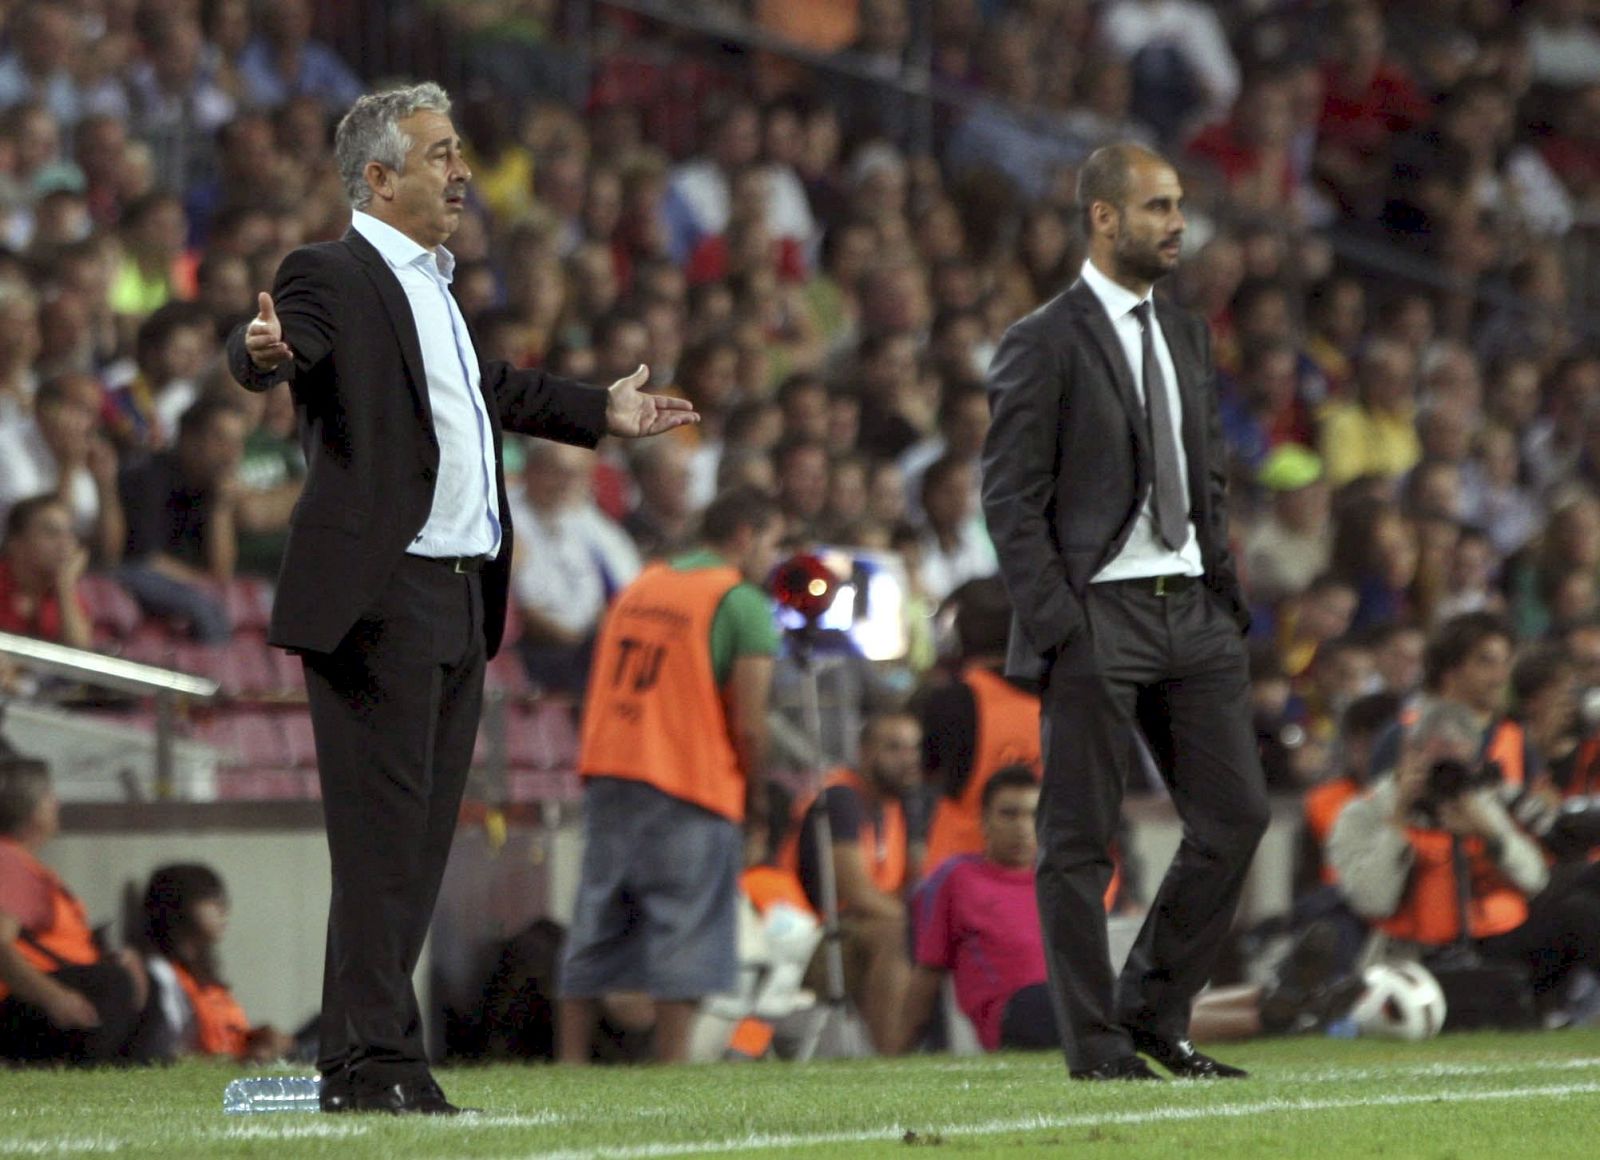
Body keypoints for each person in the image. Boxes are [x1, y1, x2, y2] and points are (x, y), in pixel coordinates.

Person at [224, 82, 696, 1115]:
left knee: (416, 840)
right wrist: (260, 356)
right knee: (383, 840)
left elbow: (487, 389)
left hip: (455, 594)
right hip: (379, 595)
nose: (460, 172)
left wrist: (598, 411)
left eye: (456, 152)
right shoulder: (329, 272)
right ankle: (383, 1064)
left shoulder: (434, 284)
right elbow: (278, 342)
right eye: (439, 155)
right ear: (379, 178)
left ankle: (360, 1062)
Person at [981, 143, 1269, 1082]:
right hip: (1099, 612)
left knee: (1235, 818)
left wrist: (1223, 592)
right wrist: (1061, 625)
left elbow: (1208, 472)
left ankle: (1152, 1010)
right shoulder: (1043, 339)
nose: (1177, 223)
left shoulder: (1186, 334)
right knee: (1077, 843)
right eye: (1156, 207)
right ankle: (1097, 1048)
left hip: (1193, 609)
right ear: (1103, 218)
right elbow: (1010, 500)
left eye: (1179, 205)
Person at [557, 485, 782, 1065]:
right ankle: (672, 1065)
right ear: (743, 536)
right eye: (772, 543)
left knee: (597, 919)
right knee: (686, 927)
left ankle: (571, 1062)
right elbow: (751, 723)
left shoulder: (642, 584)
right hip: (688, 779)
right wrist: (757, 799)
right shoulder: (738, 601)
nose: (771, 559)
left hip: (612, 770)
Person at [780, 709, 922, 1055]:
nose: (908, 759)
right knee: (898, 935)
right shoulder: (841, 798)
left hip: (849, 936)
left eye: (913, 749)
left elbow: (913, 887)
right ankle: (891, 1061)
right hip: (803, 940)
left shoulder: (896, 807)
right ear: (864, 752)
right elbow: (857, 895)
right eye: (894, 748)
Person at [0, 754, 149, 1065]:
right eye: (48, 796)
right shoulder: (8, 862)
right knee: (112, 983)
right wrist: (54, 997)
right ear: (28, 808)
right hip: (24, 1003)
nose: (56, 804)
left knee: (131, 978)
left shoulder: (23, 865)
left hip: (53, 989)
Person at [917, 576, 1041, 875]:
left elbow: (920, 779)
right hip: (1054, 884)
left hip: (963, 883)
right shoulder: (1068, 696)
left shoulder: (950, 701)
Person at [139, 862, 295, 1063]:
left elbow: (227, 1036)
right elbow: (170, 1055)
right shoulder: (160, 974)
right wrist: (245, 1060)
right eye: (210, 899)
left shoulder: (202, 971)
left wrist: (259, 1038)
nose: (223, 909)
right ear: (175, 906)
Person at [0, 495, 91, 650]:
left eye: (70, 533)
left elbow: (79, 655)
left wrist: (64, 586)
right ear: (16, 543)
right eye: (51, 533)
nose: (65, 543)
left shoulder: (65, 594)